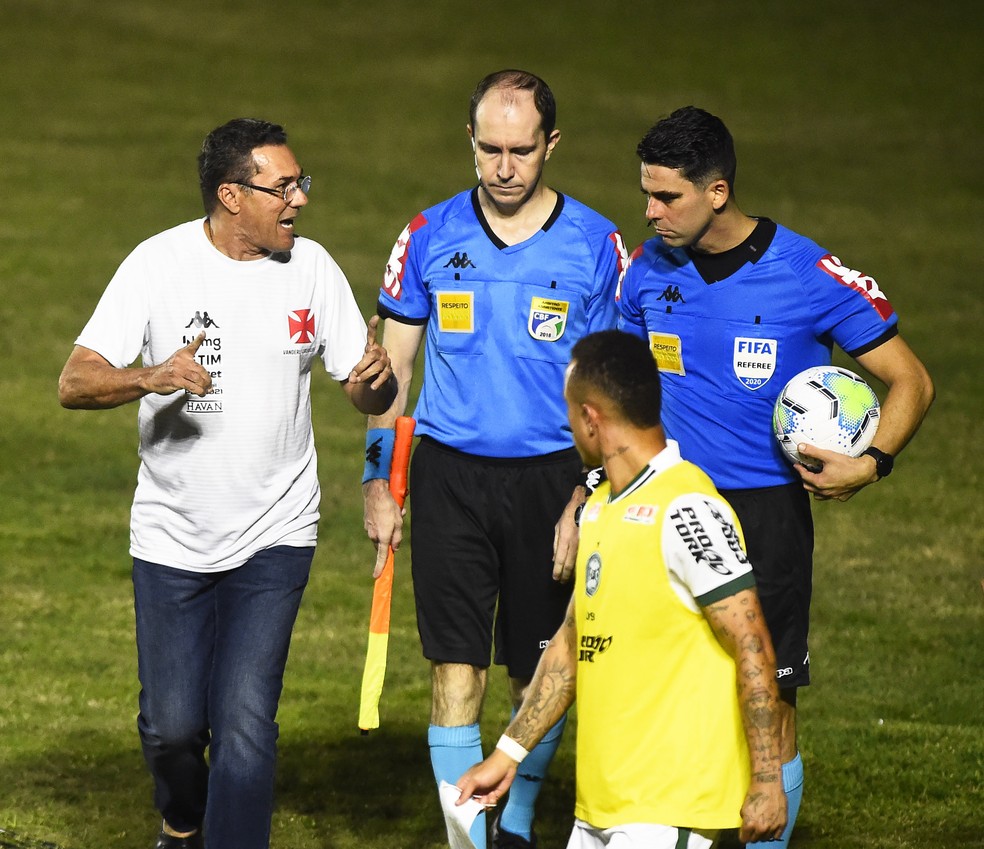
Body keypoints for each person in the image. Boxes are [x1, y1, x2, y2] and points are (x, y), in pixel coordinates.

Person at [58, 118, 397, 849]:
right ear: (232, 196)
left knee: (245, 720)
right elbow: (74, 382)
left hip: (277, 531)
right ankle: (182, 821)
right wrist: (149, 375)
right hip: (171, 535)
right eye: (285, 187)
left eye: (302, 183)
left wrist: (377, 380)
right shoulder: (158, 265)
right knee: (172, 726)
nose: (301, 199)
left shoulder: (311, 269)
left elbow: (364, 389)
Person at [616, 106, 935, 847]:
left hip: (766, 517)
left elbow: (911, 380)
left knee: (770, 700)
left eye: (667, 197)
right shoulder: (646, 270)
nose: (651, 212)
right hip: (670, 507)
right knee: (662, 688)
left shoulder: (806, 275)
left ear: (717, 191)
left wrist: (872, 462)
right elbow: (627, 391)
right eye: (647, 194)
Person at [362, 70, 627, 848]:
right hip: (450, 478)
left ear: (552, 144)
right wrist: (378, 478)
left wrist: (589, 495)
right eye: (489, 149)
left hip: (554, 481)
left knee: (536, 673)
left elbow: (614, 388)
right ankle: (469, 840)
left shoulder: (596, 245)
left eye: (521, 150)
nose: (504, 167)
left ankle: (512, 824)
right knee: (455, 668)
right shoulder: (427, 234)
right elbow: (391, 369)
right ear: (470, 141)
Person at [456, 329, 787, 849]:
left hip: (669, 805)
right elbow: (571, 643)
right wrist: (508, 753)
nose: (568, 426)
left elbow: (752, 643)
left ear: (591, 418)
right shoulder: (599, 508)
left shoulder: (688, 508)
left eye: (570, 413)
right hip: (602, 805)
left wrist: (767, 780)